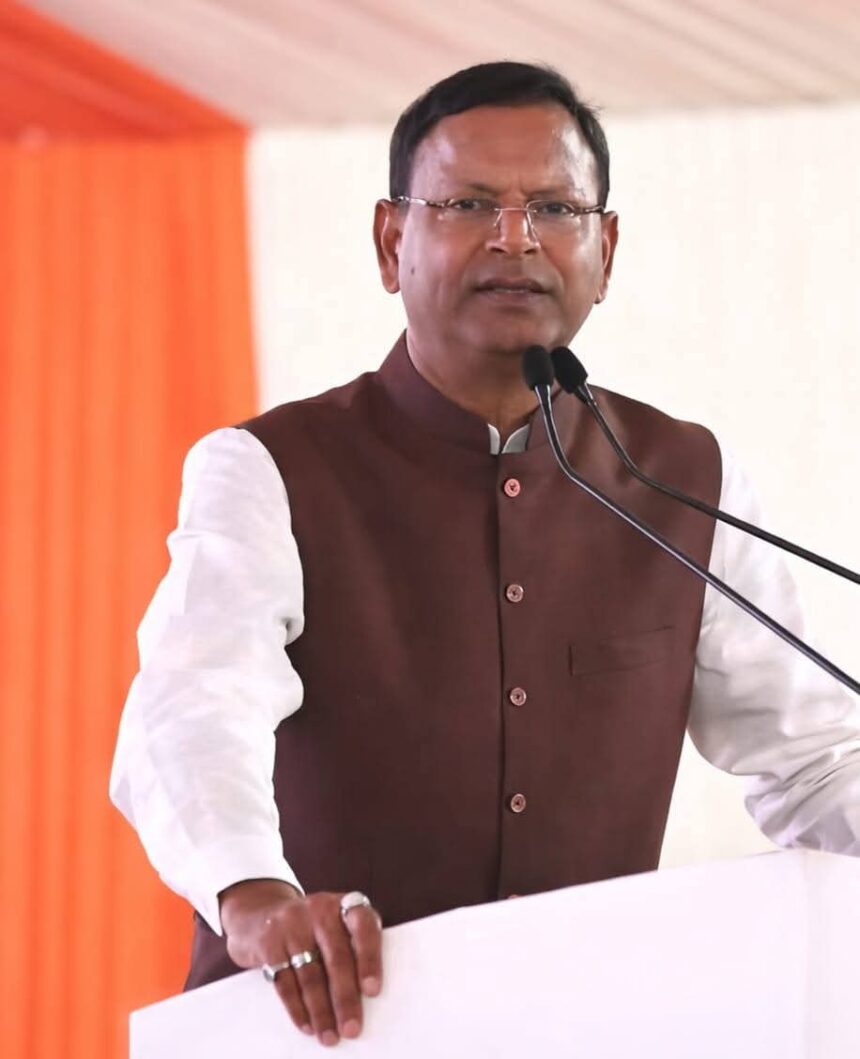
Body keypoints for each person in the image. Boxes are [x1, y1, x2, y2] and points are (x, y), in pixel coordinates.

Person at [110, 61, 860, 1048]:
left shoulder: (686, 480)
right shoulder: (270, 469)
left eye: (554, 207)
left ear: (604, 250)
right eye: (468, 204)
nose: (515, 237)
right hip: (314, 1030)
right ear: (392, 242)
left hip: (577, 1030)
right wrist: (254, 896)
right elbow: (190, 715)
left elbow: (814, 763)